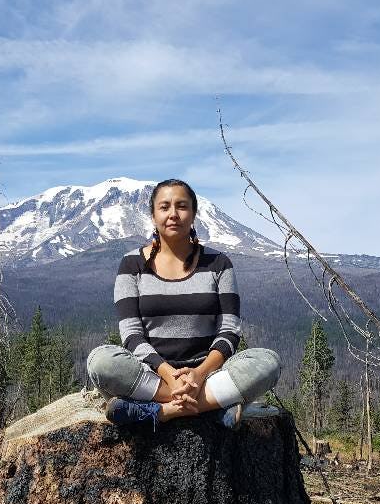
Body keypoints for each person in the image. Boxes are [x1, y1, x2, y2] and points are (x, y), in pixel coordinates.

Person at [86, 178, 281, 430]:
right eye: (164, 207)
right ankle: (211, 406)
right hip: (151, 373)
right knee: (100, 361)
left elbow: (230, 330)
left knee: (268, 362)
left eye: (181, 206)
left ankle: (159, 411)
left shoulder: (219, 263)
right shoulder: (132, 264)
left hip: (208, 374)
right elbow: (131, 335)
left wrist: (199, 374)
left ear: (193, 213)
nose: (173, 214)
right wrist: (168, 373)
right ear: (153, 215)